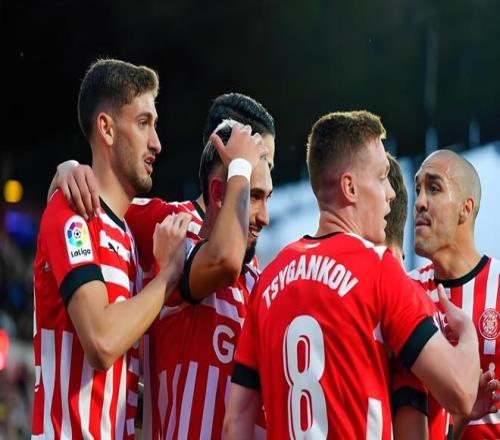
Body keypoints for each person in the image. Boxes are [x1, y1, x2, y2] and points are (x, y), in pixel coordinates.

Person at [224, 111, 480, 439]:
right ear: (350, 188)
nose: (390, 193)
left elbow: (236, 423)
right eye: (382, 177)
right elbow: (461, 393)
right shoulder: (378, 268)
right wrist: (468, 333)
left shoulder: (267, 281)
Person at [33, 59, 191, 438]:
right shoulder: (72, 210)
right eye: (143, 123)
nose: (156, 143)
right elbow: (102, 342)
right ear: (106, 128)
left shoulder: (127, 238)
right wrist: (168, 276)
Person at [400, 149, 500, 439]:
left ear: (465, 209)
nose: (419, 202)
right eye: (418, 190)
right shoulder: (404, 292)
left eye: (434, 188)